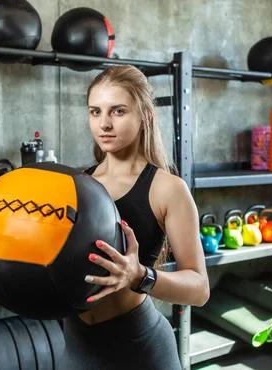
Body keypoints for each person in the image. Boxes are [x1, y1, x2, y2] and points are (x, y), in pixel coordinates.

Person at [59, 65, 210, 370]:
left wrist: (139, 276)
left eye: (118, 111)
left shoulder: (167, 189)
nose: (104, 124)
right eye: (95, 111)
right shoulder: (75, 184)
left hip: (138, 349)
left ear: (144, 116)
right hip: (76, 346)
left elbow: (199, 288)